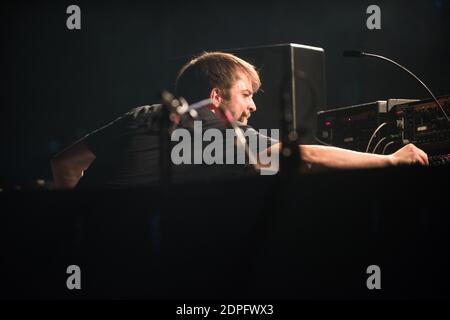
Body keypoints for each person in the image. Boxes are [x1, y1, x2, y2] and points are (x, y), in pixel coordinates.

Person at [51, 51, 428, 189]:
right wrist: (393, 160)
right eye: (246, 94)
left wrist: (82, 221)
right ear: (216, 98)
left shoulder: (138, 117)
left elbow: (64, 165)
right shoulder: (228, 137)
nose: (252, 108)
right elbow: (307, 158)